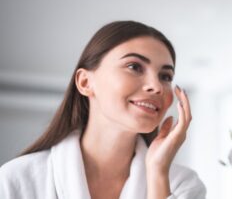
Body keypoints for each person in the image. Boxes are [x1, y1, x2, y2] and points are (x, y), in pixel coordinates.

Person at [0, 21, 206, 199]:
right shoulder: (17, 179)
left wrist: (158, 174)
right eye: (134, 66)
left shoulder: (182, 185)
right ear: (85, 82)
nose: (157, 86)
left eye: (166, 76)